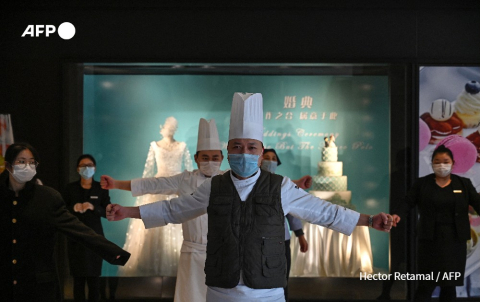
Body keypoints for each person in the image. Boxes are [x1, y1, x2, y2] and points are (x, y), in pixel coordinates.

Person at [107, 93, 393, 302]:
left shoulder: (280, 186)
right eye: (237, 147)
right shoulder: (214, 186)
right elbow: (174, 210)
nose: (244, 153)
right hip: (221, 289)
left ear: (260, 151)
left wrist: (369, 220)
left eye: (251, 147)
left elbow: (323, 212)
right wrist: (128, 212)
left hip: (267, 290)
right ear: (228, 150)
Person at [101, 118, 224, 302]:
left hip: (223, 254)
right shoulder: (186, 180)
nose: (210, 162)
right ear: (196, 158)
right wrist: (117, 185)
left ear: (222, 158)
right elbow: (156, 187)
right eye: (205, 157)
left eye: (215, 158)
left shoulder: (229, 181)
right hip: (192, 253)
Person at [0, 143, 130, 302]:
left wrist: (112, 251)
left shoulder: (47, 198)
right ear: (8, 165)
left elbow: (77, 229)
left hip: (37, 286)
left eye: (31, 162)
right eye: (21, 161)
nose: (27, 166)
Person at [392, 144, 480, 302]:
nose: (441, 165)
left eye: (445, 161)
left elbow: (478, 204)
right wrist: (397, 215)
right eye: (437, 161)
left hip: (455, 241)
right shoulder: (422, 184)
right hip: (429, 240)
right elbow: (407, 202)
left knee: (449, 285)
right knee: (426, 285)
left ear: (453, 163)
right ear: (432, 163)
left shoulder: (464, 184)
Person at [120, 116, 193, 276]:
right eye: (168, 125)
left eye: (173, 126)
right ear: (163, 127)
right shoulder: (155, 145)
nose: (170, 128)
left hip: (177, 188)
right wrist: (143, 190)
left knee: (176, 225)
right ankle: (150, 269)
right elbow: (148, 171)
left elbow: (189, 170)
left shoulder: (182, 146)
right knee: (154, 227)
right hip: (158, 188)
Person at [63, 154, 113, 302]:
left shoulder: (101, 189)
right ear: (78, 169)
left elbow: (107, 212)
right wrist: (73, 208)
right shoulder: (70, 188)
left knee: (94, 280)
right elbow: (61, 210)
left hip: (95, 238)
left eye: (89, 165)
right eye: (83, 166)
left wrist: (94, 207)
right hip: (75, 238)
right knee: (78, 280)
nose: (86, 169)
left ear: (95, 168)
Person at [261, 148, 309, 302]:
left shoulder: (283, 184)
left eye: (273, 158)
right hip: (258, 239)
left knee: (282, 277)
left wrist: (300, 235)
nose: (270, 161)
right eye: (266, 157)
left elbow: (292, 212)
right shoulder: (251, 181)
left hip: (282, 239)